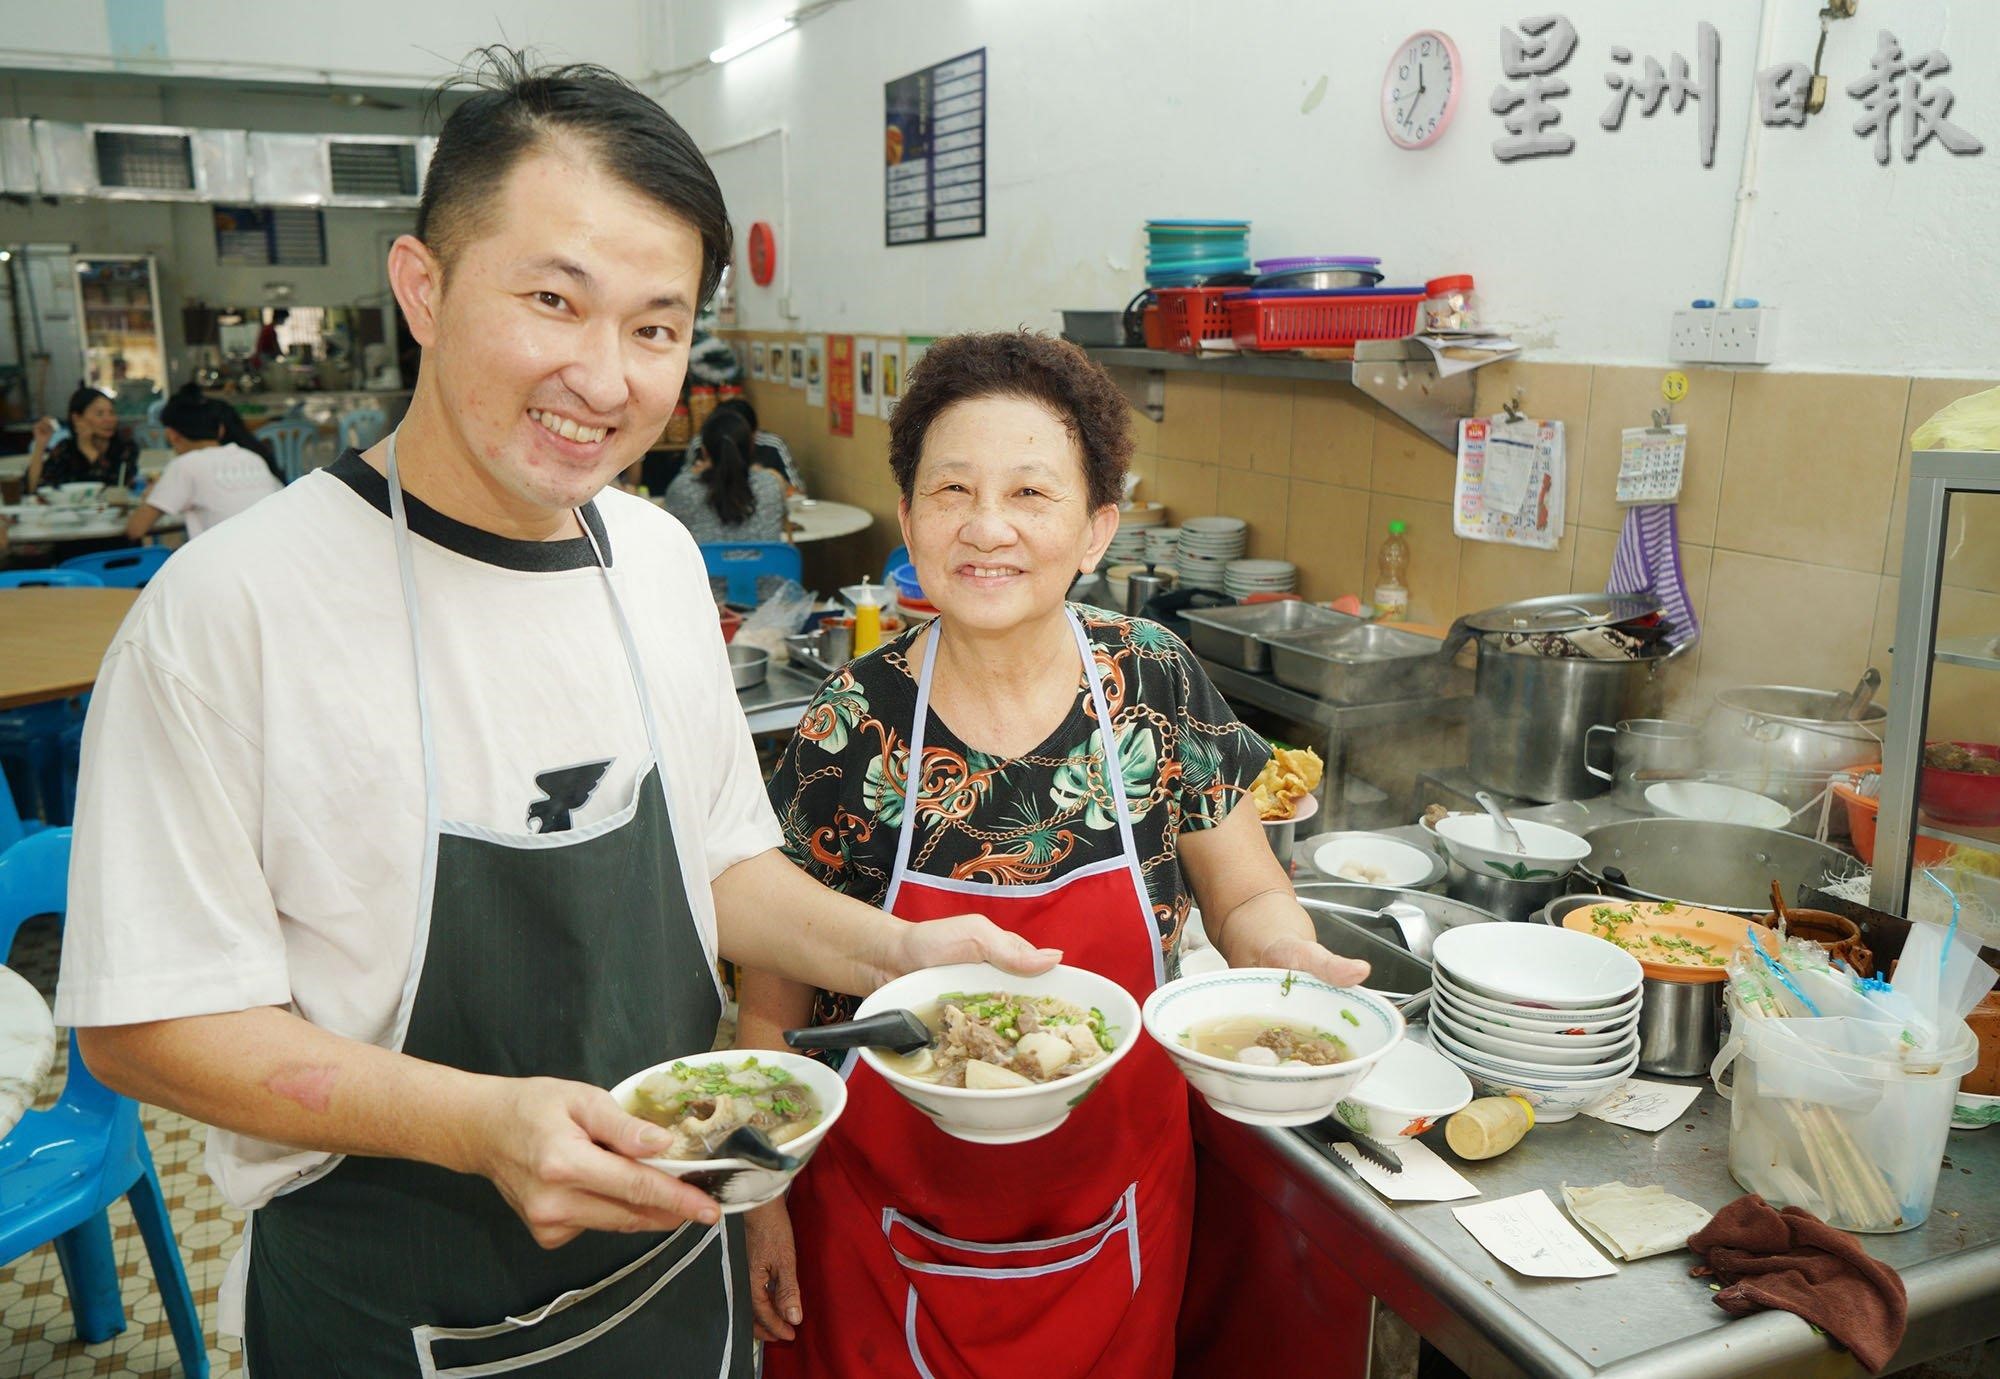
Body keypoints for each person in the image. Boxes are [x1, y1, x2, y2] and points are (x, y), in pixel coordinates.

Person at [55, 54, 1050, 1378]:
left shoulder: (654, 559)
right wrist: (481, 1123)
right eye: (551, 300)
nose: (604, 375)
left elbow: (720, 864)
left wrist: (898, 953)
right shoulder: (229, 609)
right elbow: (143, 1021)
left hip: (672, 1273)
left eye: (655, 326)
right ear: (423, 285)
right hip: (391, 1310)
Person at [738, 330, 1370, 1379]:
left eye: (1031, 493)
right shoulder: (850, 719)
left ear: (1095, 530)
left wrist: (1285, 957)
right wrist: (763, 1192)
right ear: (908, 520)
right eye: (951, 490)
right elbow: (776, 975)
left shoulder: (1152, 678)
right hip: (879, 1223)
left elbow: (1244, 886)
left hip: (1113, 1214)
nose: (986, 527)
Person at [125, 385, 283, 541]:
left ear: (171, 435)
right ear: (221, 430)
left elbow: (135, 529)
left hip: (226, 561)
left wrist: (152, 495)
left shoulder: (185, 465)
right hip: (277, 553)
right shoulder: (252, 458)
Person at [664, 407, 789, 543]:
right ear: (751, 446)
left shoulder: (683, 488)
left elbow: (667, 536)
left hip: (708, 564)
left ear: (704, 451)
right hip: (769, 564)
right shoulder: (771, 484)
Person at [24, 384, 140, 494]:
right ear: (77, 419)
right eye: (100, 414)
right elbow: (32, 488)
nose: (109, 419)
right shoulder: (66, 448)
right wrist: (40, 445)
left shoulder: (126, 447)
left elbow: (115, 488)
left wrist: (87, 448)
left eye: (112, 413)